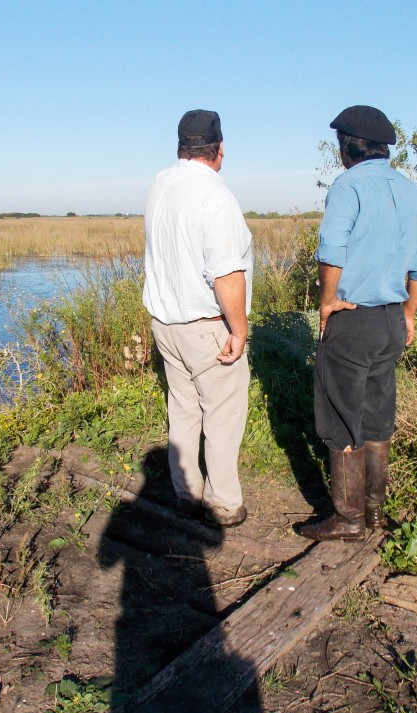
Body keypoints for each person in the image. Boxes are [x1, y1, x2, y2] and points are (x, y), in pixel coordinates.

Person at [296, 105, 417, 542]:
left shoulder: (348, 186)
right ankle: (375, 512)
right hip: (393, 318)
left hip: (353, 319)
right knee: (377, 416)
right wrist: (409, 314)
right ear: (383, 149)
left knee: (342, 416)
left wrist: (327, 302)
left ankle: (348, 519)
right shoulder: (413, 193)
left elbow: (332, 251)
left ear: (345, 147)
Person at [143, 109, 253, 527]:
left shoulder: (160, 184)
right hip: (207, 325)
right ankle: (223, 502)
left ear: (180, 147)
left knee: (184, 408)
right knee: (222, 414)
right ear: (219, 150)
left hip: (165, 322)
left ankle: (186, 493)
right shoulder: (216, 196)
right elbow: (226, 273)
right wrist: (239, 330)